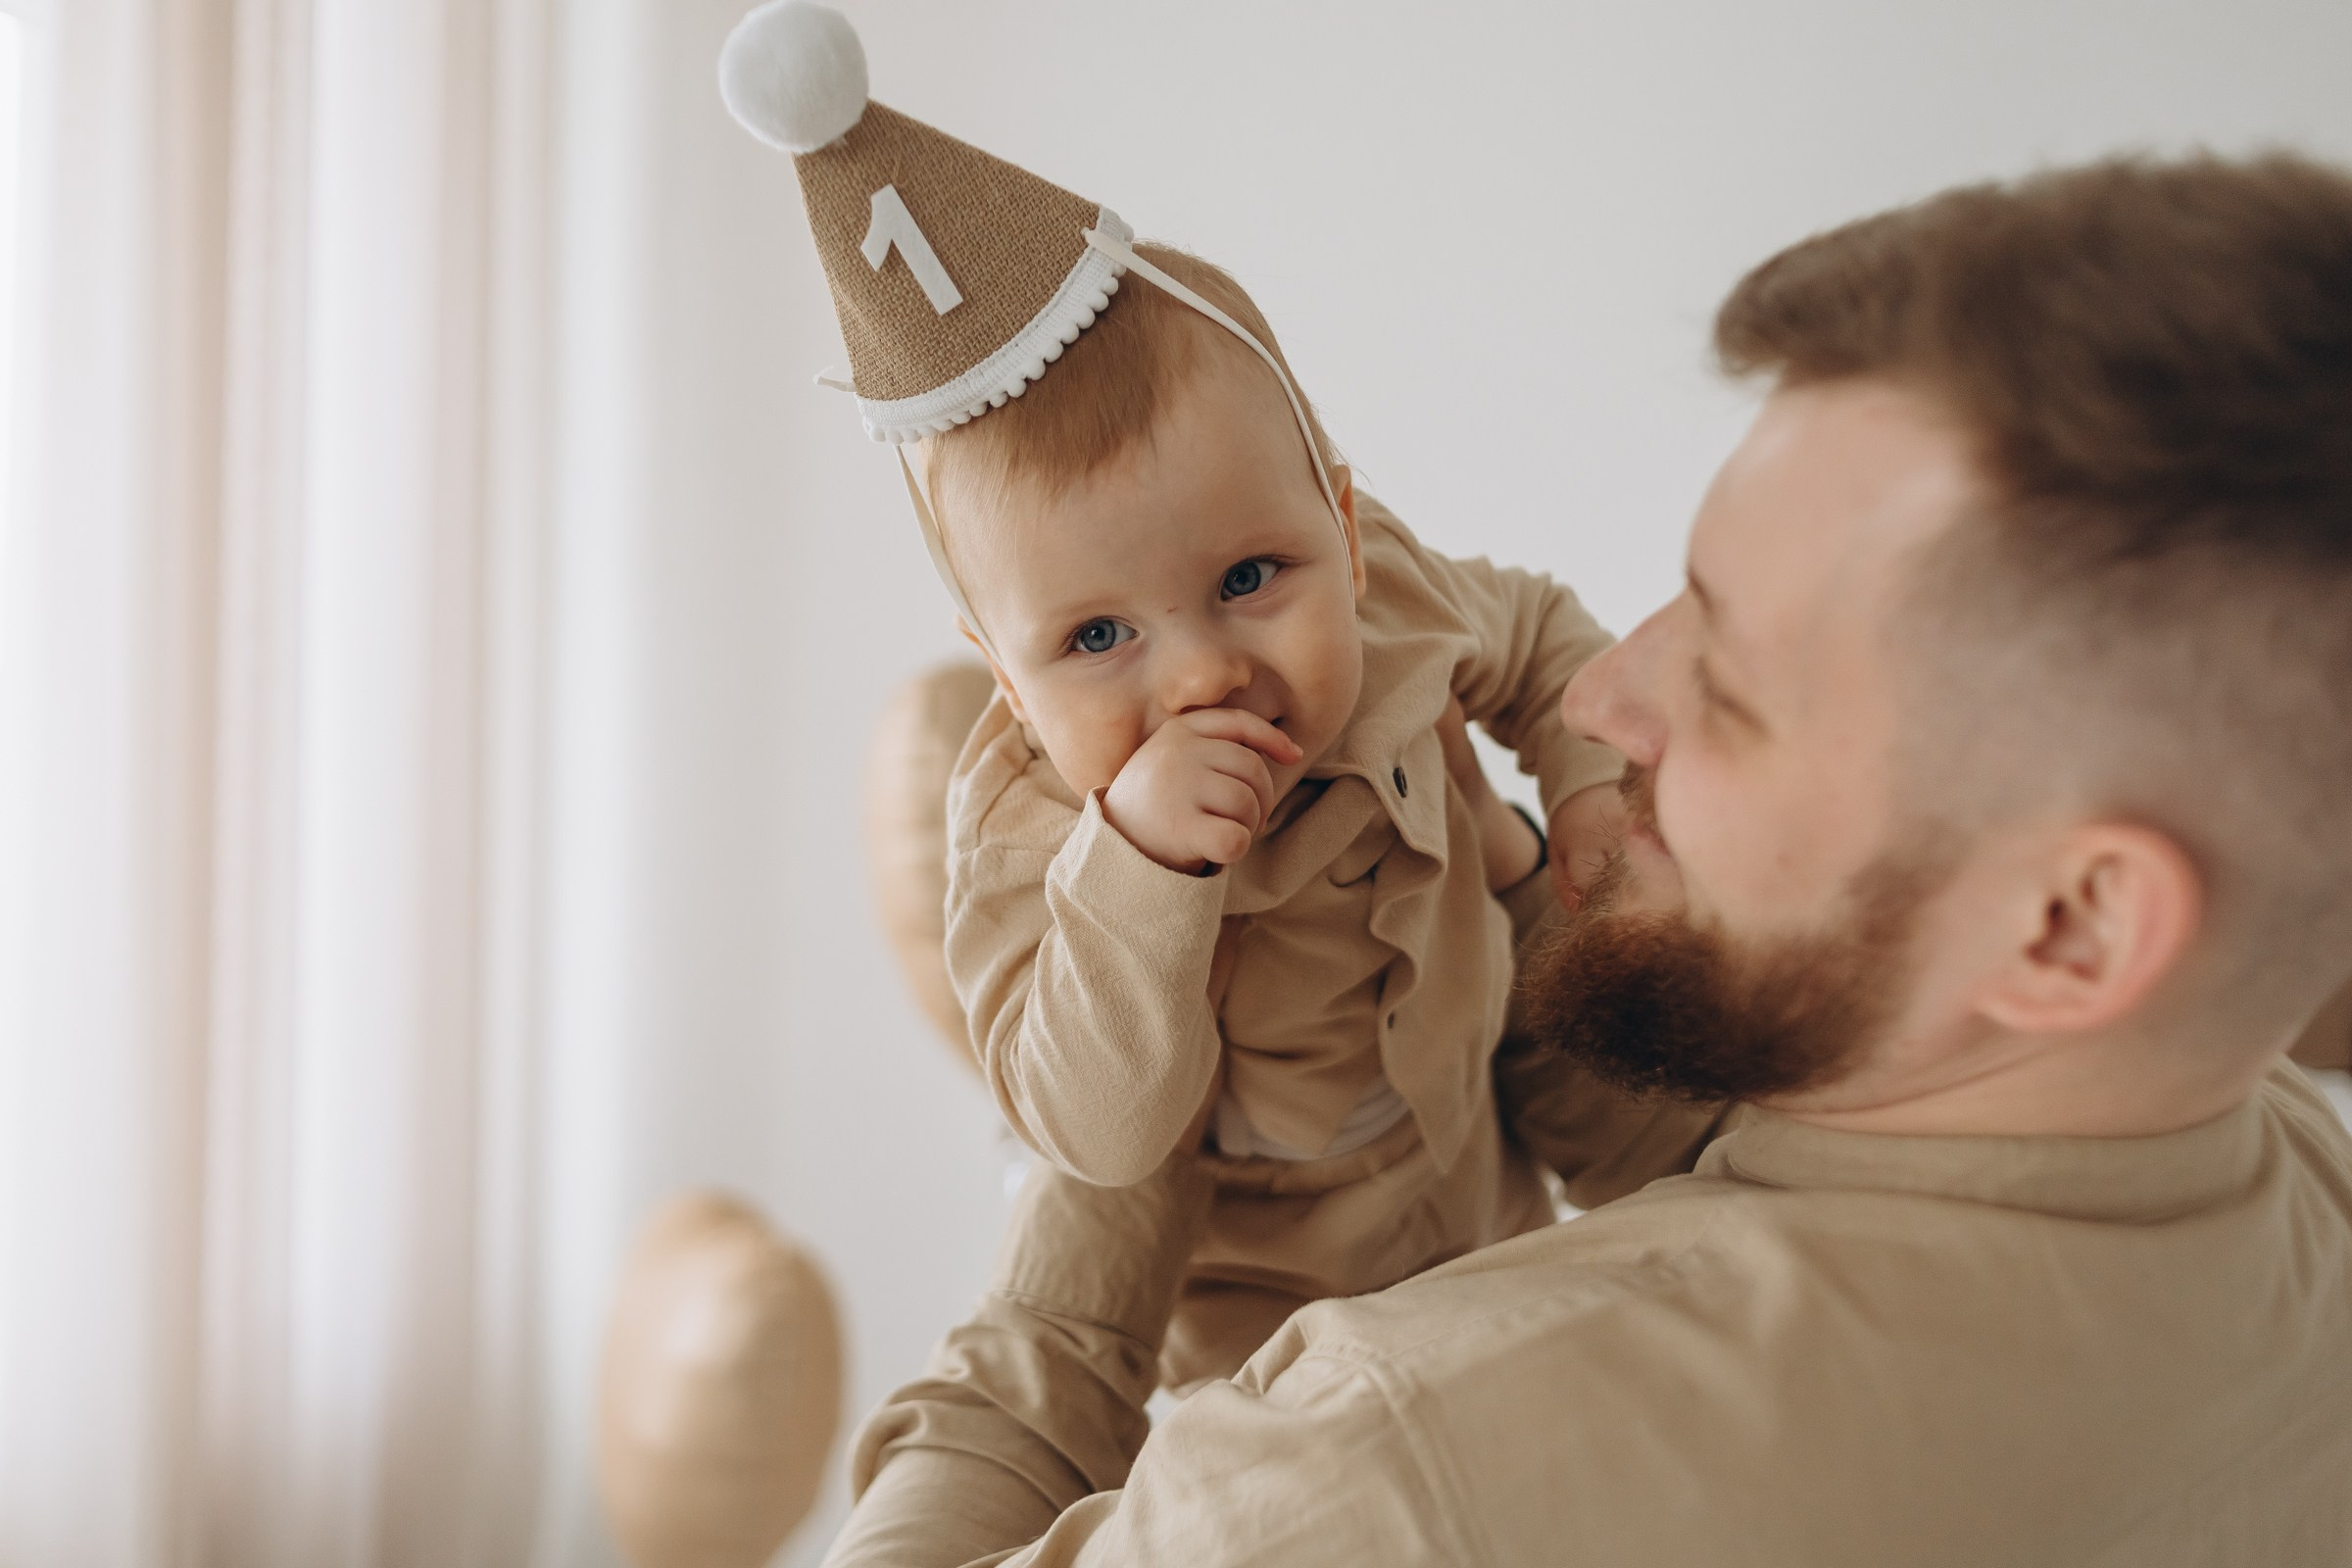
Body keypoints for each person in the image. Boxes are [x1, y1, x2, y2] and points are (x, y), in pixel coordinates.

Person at [819, 153, 2352, 1566]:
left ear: (2079, 925)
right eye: (1675, 599)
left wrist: (1019, 1386)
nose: (1607, 706)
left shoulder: (1376, 1476)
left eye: (1734, 689)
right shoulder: (2307, 1192)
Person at [719, 0, 1642, 1390]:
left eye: (1252, 574)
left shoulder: (1387, 591)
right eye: (1096, 638)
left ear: (1338, 517)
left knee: (1656, 1182)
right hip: (1246, 1282)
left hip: (1475, 1162)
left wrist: (1582, 783)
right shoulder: (1026, 837)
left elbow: (1543, 635)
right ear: (1007, 681)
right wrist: (1142, 863)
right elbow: (1092, 1132)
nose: (1203, 672)